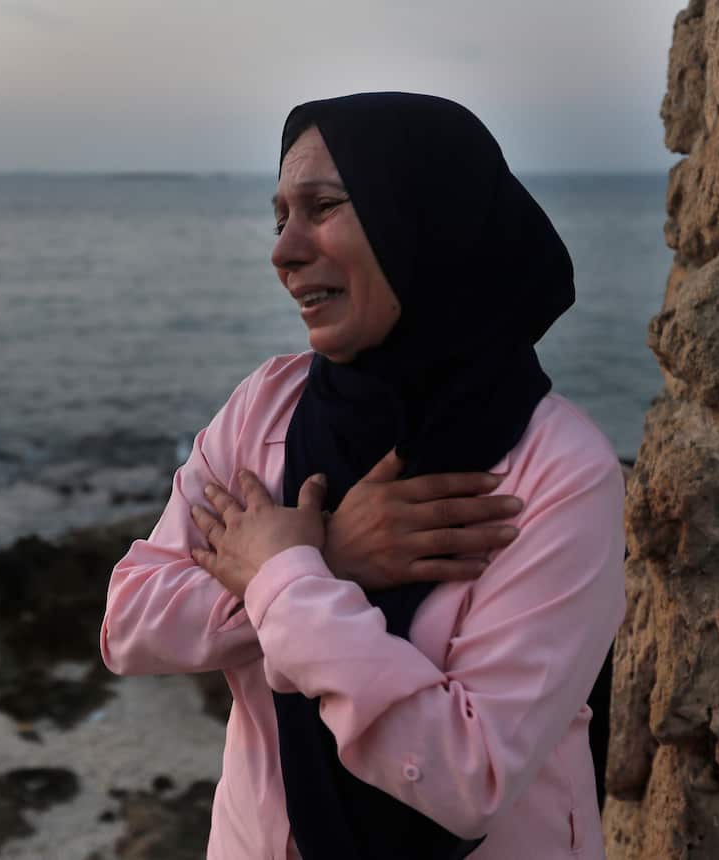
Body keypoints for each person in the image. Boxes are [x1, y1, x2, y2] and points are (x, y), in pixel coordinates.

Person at [100, 92, 625, 860]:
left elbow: (469, 775)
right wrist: (328, 556)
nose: (283, 252)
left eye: (322, 206)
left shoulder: (562, 473)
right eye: (279, 216)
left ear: (425, 216)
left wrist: (284, 577)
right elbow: (129, 622)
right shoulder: (265, 409)